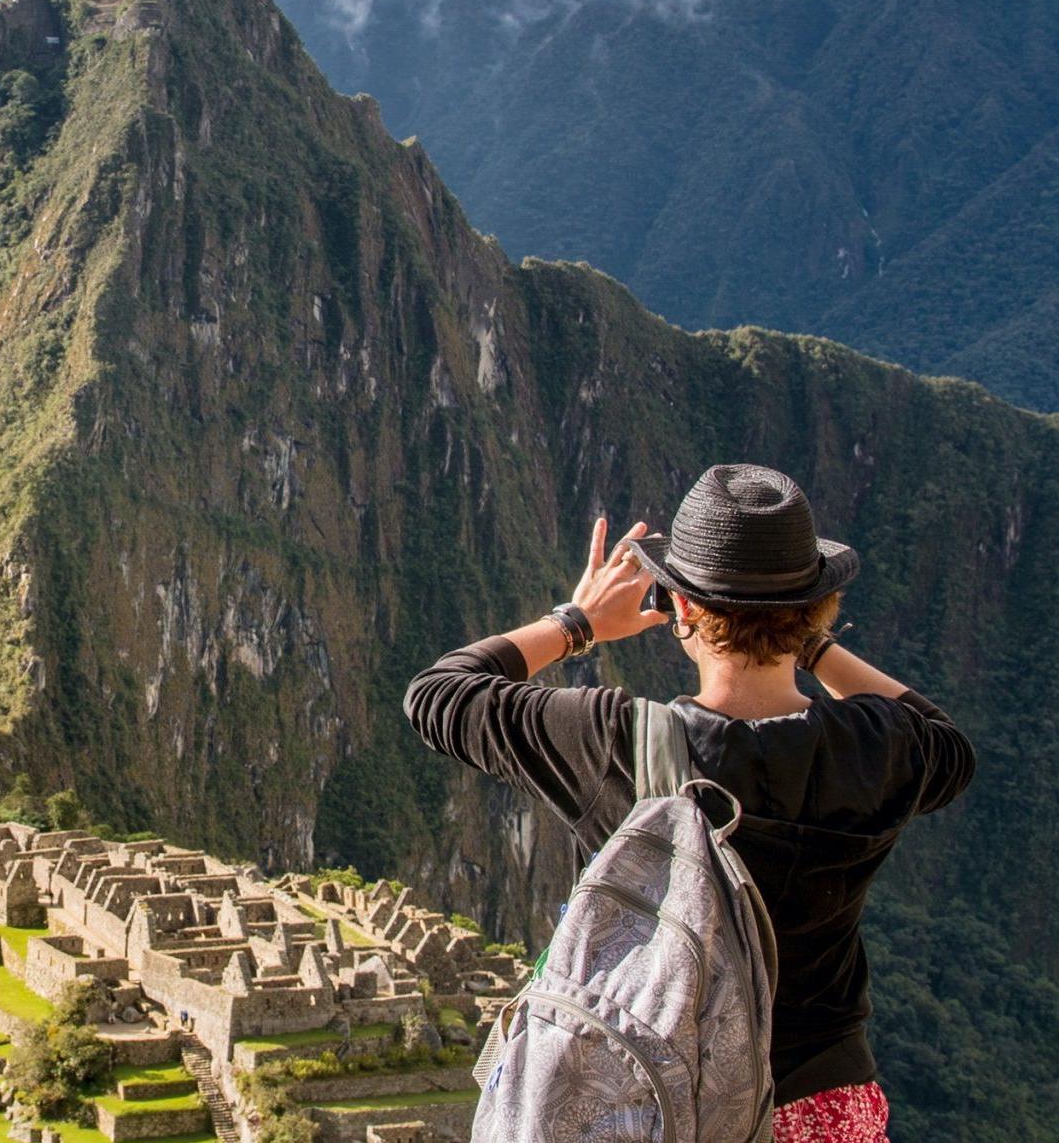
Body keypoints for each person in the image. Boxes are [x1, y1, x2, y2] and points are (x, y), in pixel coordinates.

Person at [404, 464, 974, 1143]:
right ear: (816, 608)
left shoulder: (614, 742)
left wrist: (577, 621)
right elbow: (947, 743)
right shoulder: (878, 747)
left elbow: (439, 693)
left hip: (655, 1109)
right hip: (820, 1110)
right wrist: (808, 641)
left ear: (681, 607)